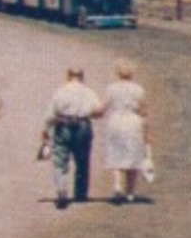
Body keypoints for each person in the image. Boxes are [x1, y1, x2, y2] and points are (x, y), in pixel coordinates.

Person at [41, 67, 101, 209]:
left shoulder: (61, 91)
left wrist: (45, 130)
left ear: (68, 76)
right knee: (82, 162)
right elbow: (97, 111)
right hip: (83, 125)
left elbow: (51, 113)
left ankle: (62, 190)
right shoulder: (89, 92)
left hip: (63, 125)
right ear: (82, 76)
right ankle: (80, 194)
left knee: (60, 161)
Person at [101, 58, 150, 204]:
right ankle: (130, 192)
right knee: (134, 155)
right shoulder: (138, 89)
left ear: (117, 72)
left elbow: (103, 107)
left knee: (115, 152)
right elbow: (144, 111)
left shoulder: (111, 88)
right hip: (133, 121)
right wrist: (147, 132)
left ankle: (117, 185)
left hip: (116, 120)